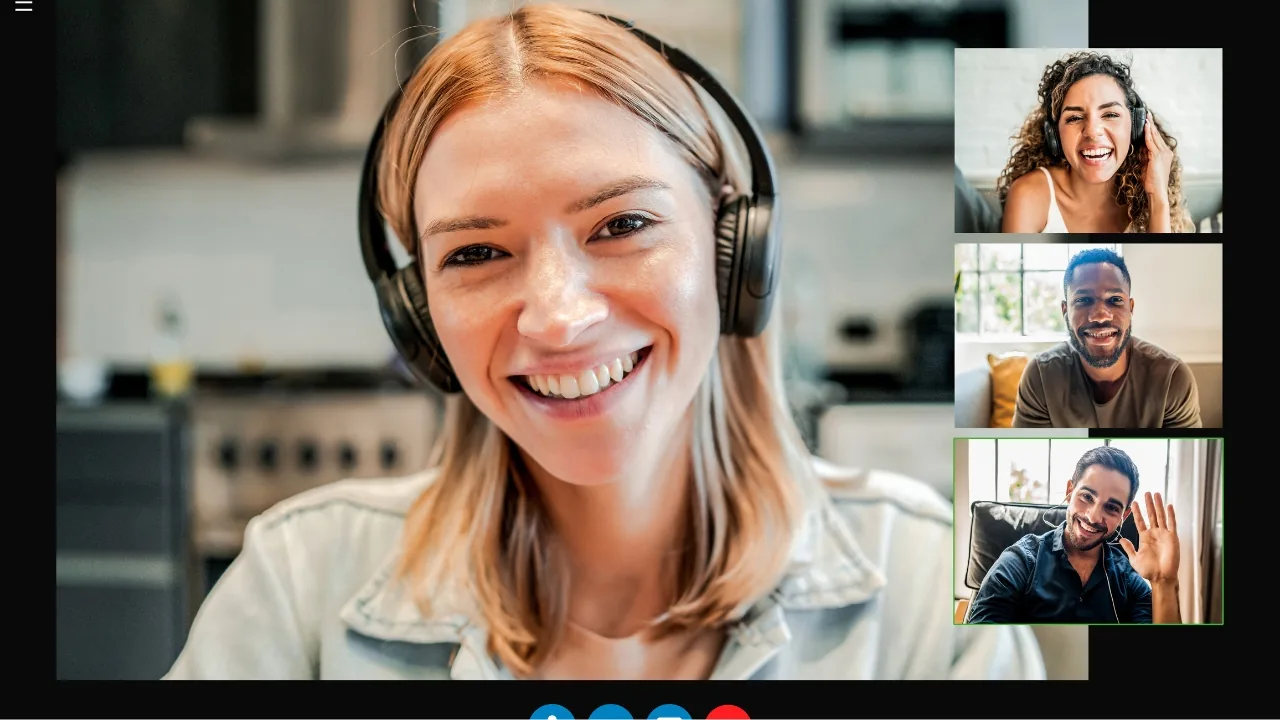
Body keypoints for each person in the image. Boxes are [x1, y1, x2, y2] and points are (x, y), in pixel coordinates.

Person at [163, 6, 1048, 680]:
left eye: (622, 223)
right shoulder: (297, 585)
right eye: (474, 252)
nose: (556, 318)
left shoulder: (928, 582)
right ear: (417, 313)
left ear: (733, 248)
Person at [966, 446, 1183, 624]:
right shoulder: (1021, 561)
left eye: (1111, 508)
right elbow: (982, 650)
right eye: (1087, 496)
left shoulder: (1127, 579)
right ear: (1070, 491)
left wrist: (1163, 582)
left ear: (1123, 516)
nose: (1093, 516)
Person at [998, 51, 1195, 233]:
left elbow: (1159, 267)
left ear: (1135, 126)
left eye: (1110, 114)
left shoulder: (1151, 192)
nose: (1092, 132)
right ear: (1054, 135)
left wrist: (1157, 197)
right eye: (1074, 118)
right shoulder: (1029, 195)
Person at [1013, 247, 1201, 428]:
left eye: (1115, 300)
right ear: (1065, 311)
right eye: (1083, 300)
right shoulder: (1040, 377)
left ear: (1131, 308)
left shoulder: (1172, 378)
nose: (1100, 315)